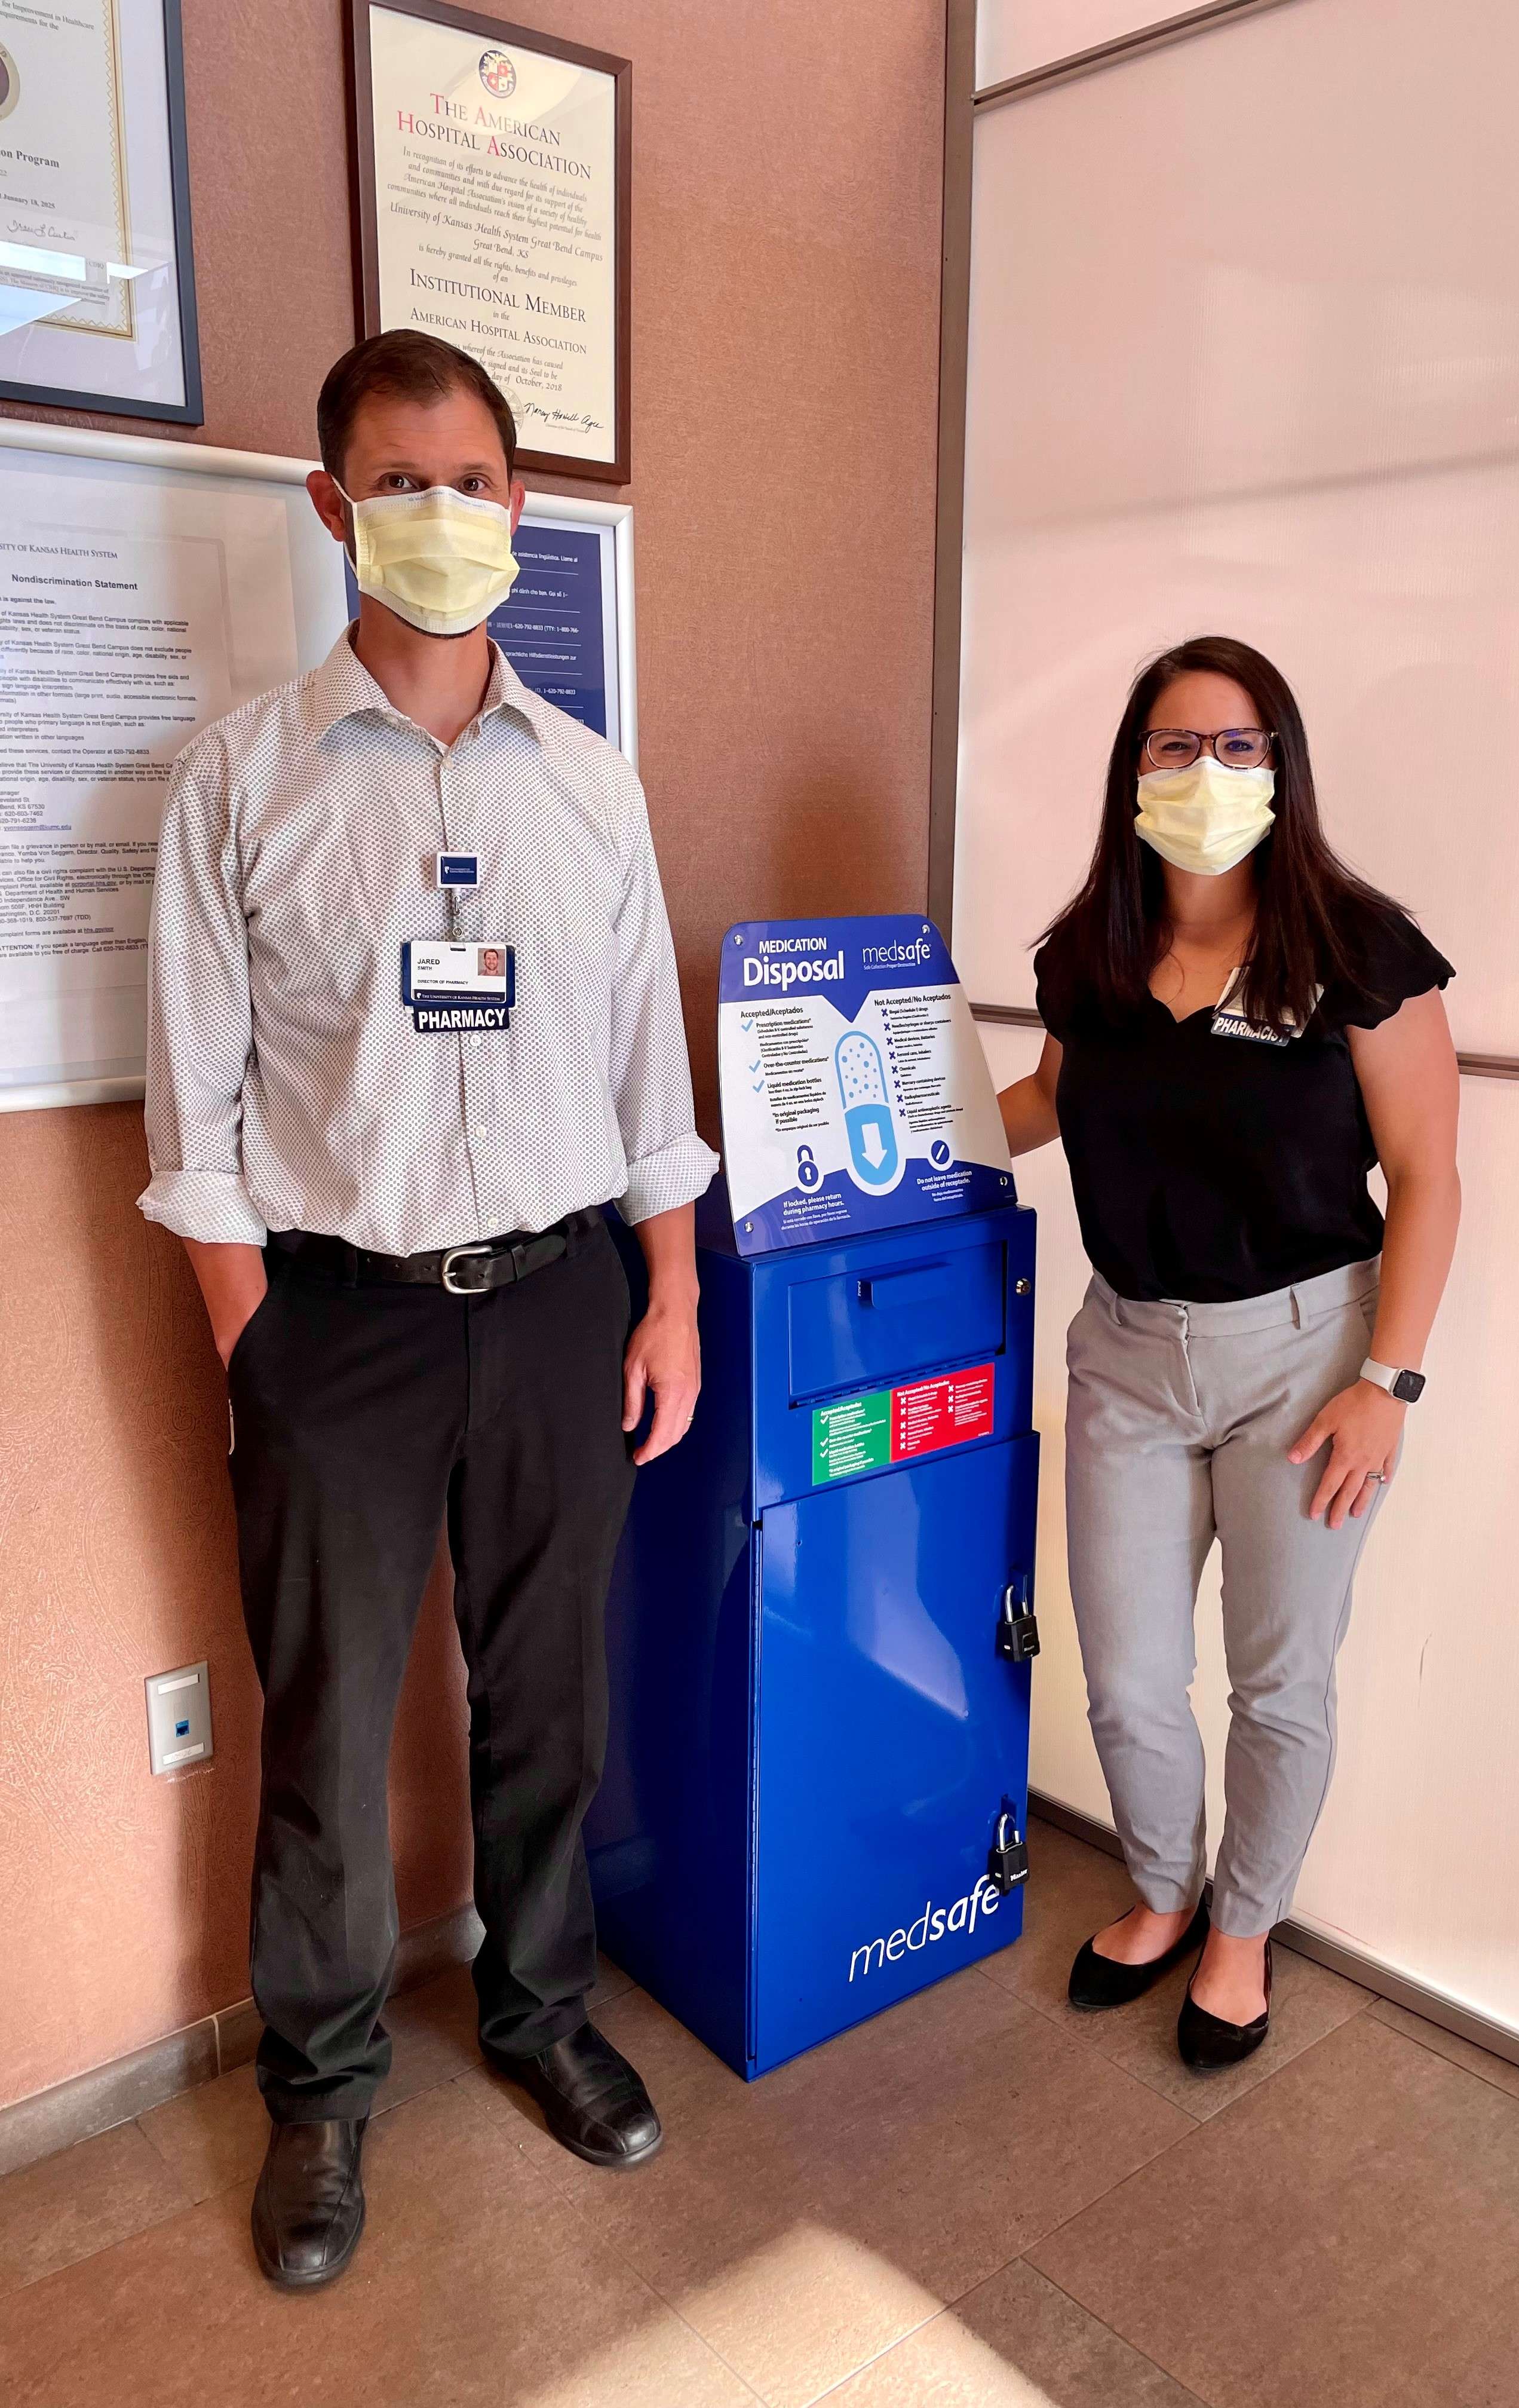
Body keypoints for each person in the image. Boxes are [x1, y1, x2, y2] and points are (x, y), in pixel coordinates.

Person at [140, 330, 717, 2287]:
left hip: (560, 1304)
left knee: (548, 1695)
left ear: (521, 505)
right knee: (321, 1726)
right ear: (333, 506)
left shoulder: (591, 788)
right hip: (339, 1323)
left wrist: (669, 1295)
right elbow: (195, 1107)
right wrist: (257, 1341)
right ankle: (319, 2090)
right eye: (400, 482)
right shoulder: (244, 782)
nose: (442, 513)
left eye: (473, 480)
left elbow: (647, 1076)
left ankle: (543, 2012)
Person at [998, 635, 1459, 2069]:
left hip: (1308, 1363)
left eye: (1237, 744)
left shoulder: (1357, 949)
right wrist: (848, 1123)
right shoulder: (1091, 951)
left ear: (1281, 766)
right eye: (1175, 744)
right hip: (1127, 1353)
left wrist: (1387, 1386)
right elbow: (1045, 1101)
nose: (1206, 770)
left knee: (1278, 1679)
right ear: (1132, 771)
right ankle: (1159, 1891)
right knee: (1128, 1676)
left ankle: (1242, 1928)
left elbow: (1427, 1177)